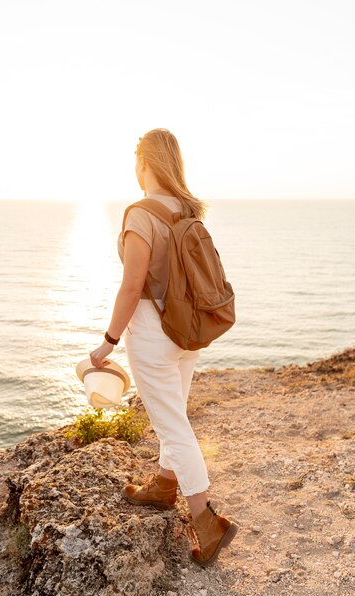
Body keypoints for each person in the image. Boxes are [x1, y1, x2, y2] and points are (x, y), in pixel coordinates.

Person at [89, 128, 238, 567]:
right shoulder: (187, 210)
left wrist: (108, 342)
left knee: (173, 425)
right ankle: (164, 485)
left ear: (144, 163)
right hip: (188, 330)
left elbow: (132, 285)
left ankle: (207, 522)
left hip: (153, 334)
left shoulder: (140, 214)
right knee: (176, 413)